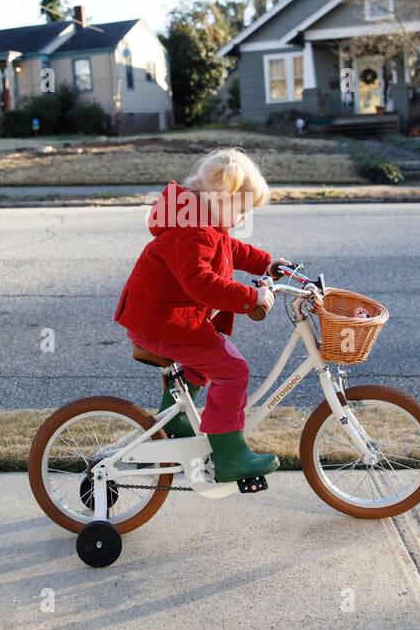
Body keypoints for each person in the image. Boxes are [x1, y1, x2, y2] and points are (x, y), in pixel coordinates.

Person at [113, 147, 291, 482]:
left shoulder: (200, 217)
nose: (243, 218)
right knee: (233, 370)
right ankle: (229, 455)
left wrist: (267, 263)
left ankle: (175, 421)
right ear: (221, 198)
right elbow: (200, 283)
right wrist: (252, 296)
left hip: (166, 319)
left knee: (204, 364)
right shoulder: (193, 230)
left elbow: (230, 248)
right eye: (242, 210)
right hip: (165, 324)